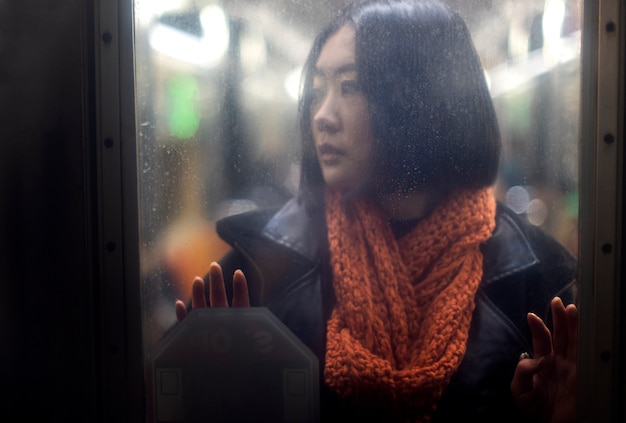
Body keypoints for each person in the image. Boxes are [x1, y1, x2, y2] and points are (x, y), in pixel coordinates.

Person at [175, 0, 578, 421]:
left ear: (422, 100)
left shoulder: (541, 280)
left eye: (349, 87)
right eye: (317, 90)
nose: (322, 116)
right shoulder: (260, 270)